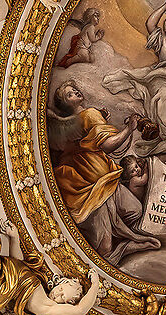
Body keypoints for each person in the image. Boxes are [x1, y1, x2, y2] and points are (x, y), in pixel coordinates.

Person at [47, 79, 143, 245]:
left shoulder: (81, 118)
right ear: (66, 104)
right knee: (132, 214)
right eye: (70, 94)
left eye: (75, 90)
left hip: (100, 177)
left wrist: (100, 120)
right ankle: (117, 237)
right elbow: (107, 145)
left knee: (132, 211)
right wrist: (129, 129)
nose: (76, 92)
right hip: (96, 181)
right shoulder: (90, 114)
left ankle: (116, 234)